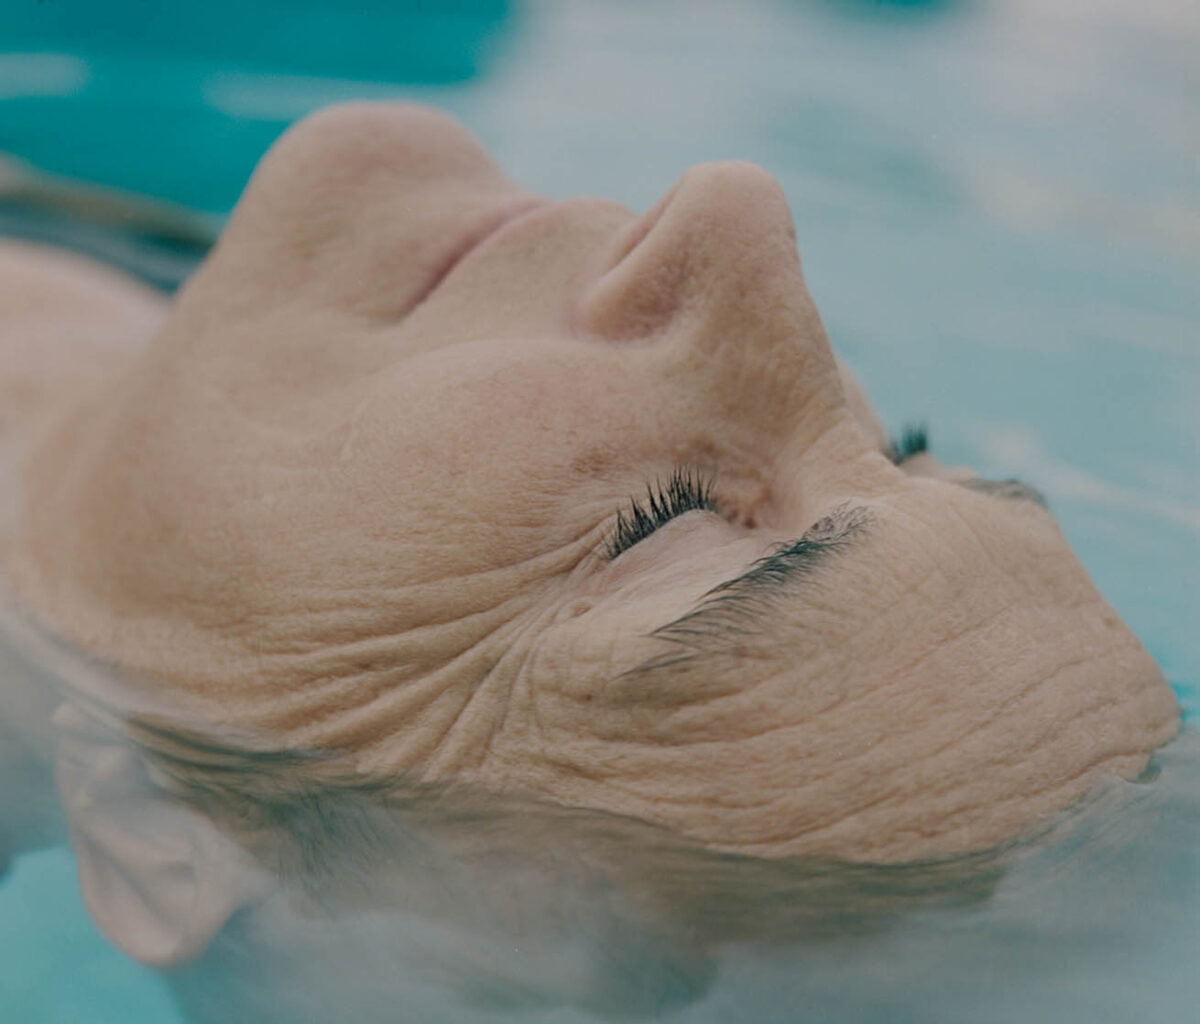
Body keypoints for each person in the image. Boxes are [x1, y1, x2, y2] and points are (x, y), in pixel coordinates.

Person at [0, 103, 1178, 965]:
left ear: (163, 827)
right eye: (899, 448)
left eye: (665, 526)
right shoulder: (192, 304)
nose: (738, 217)